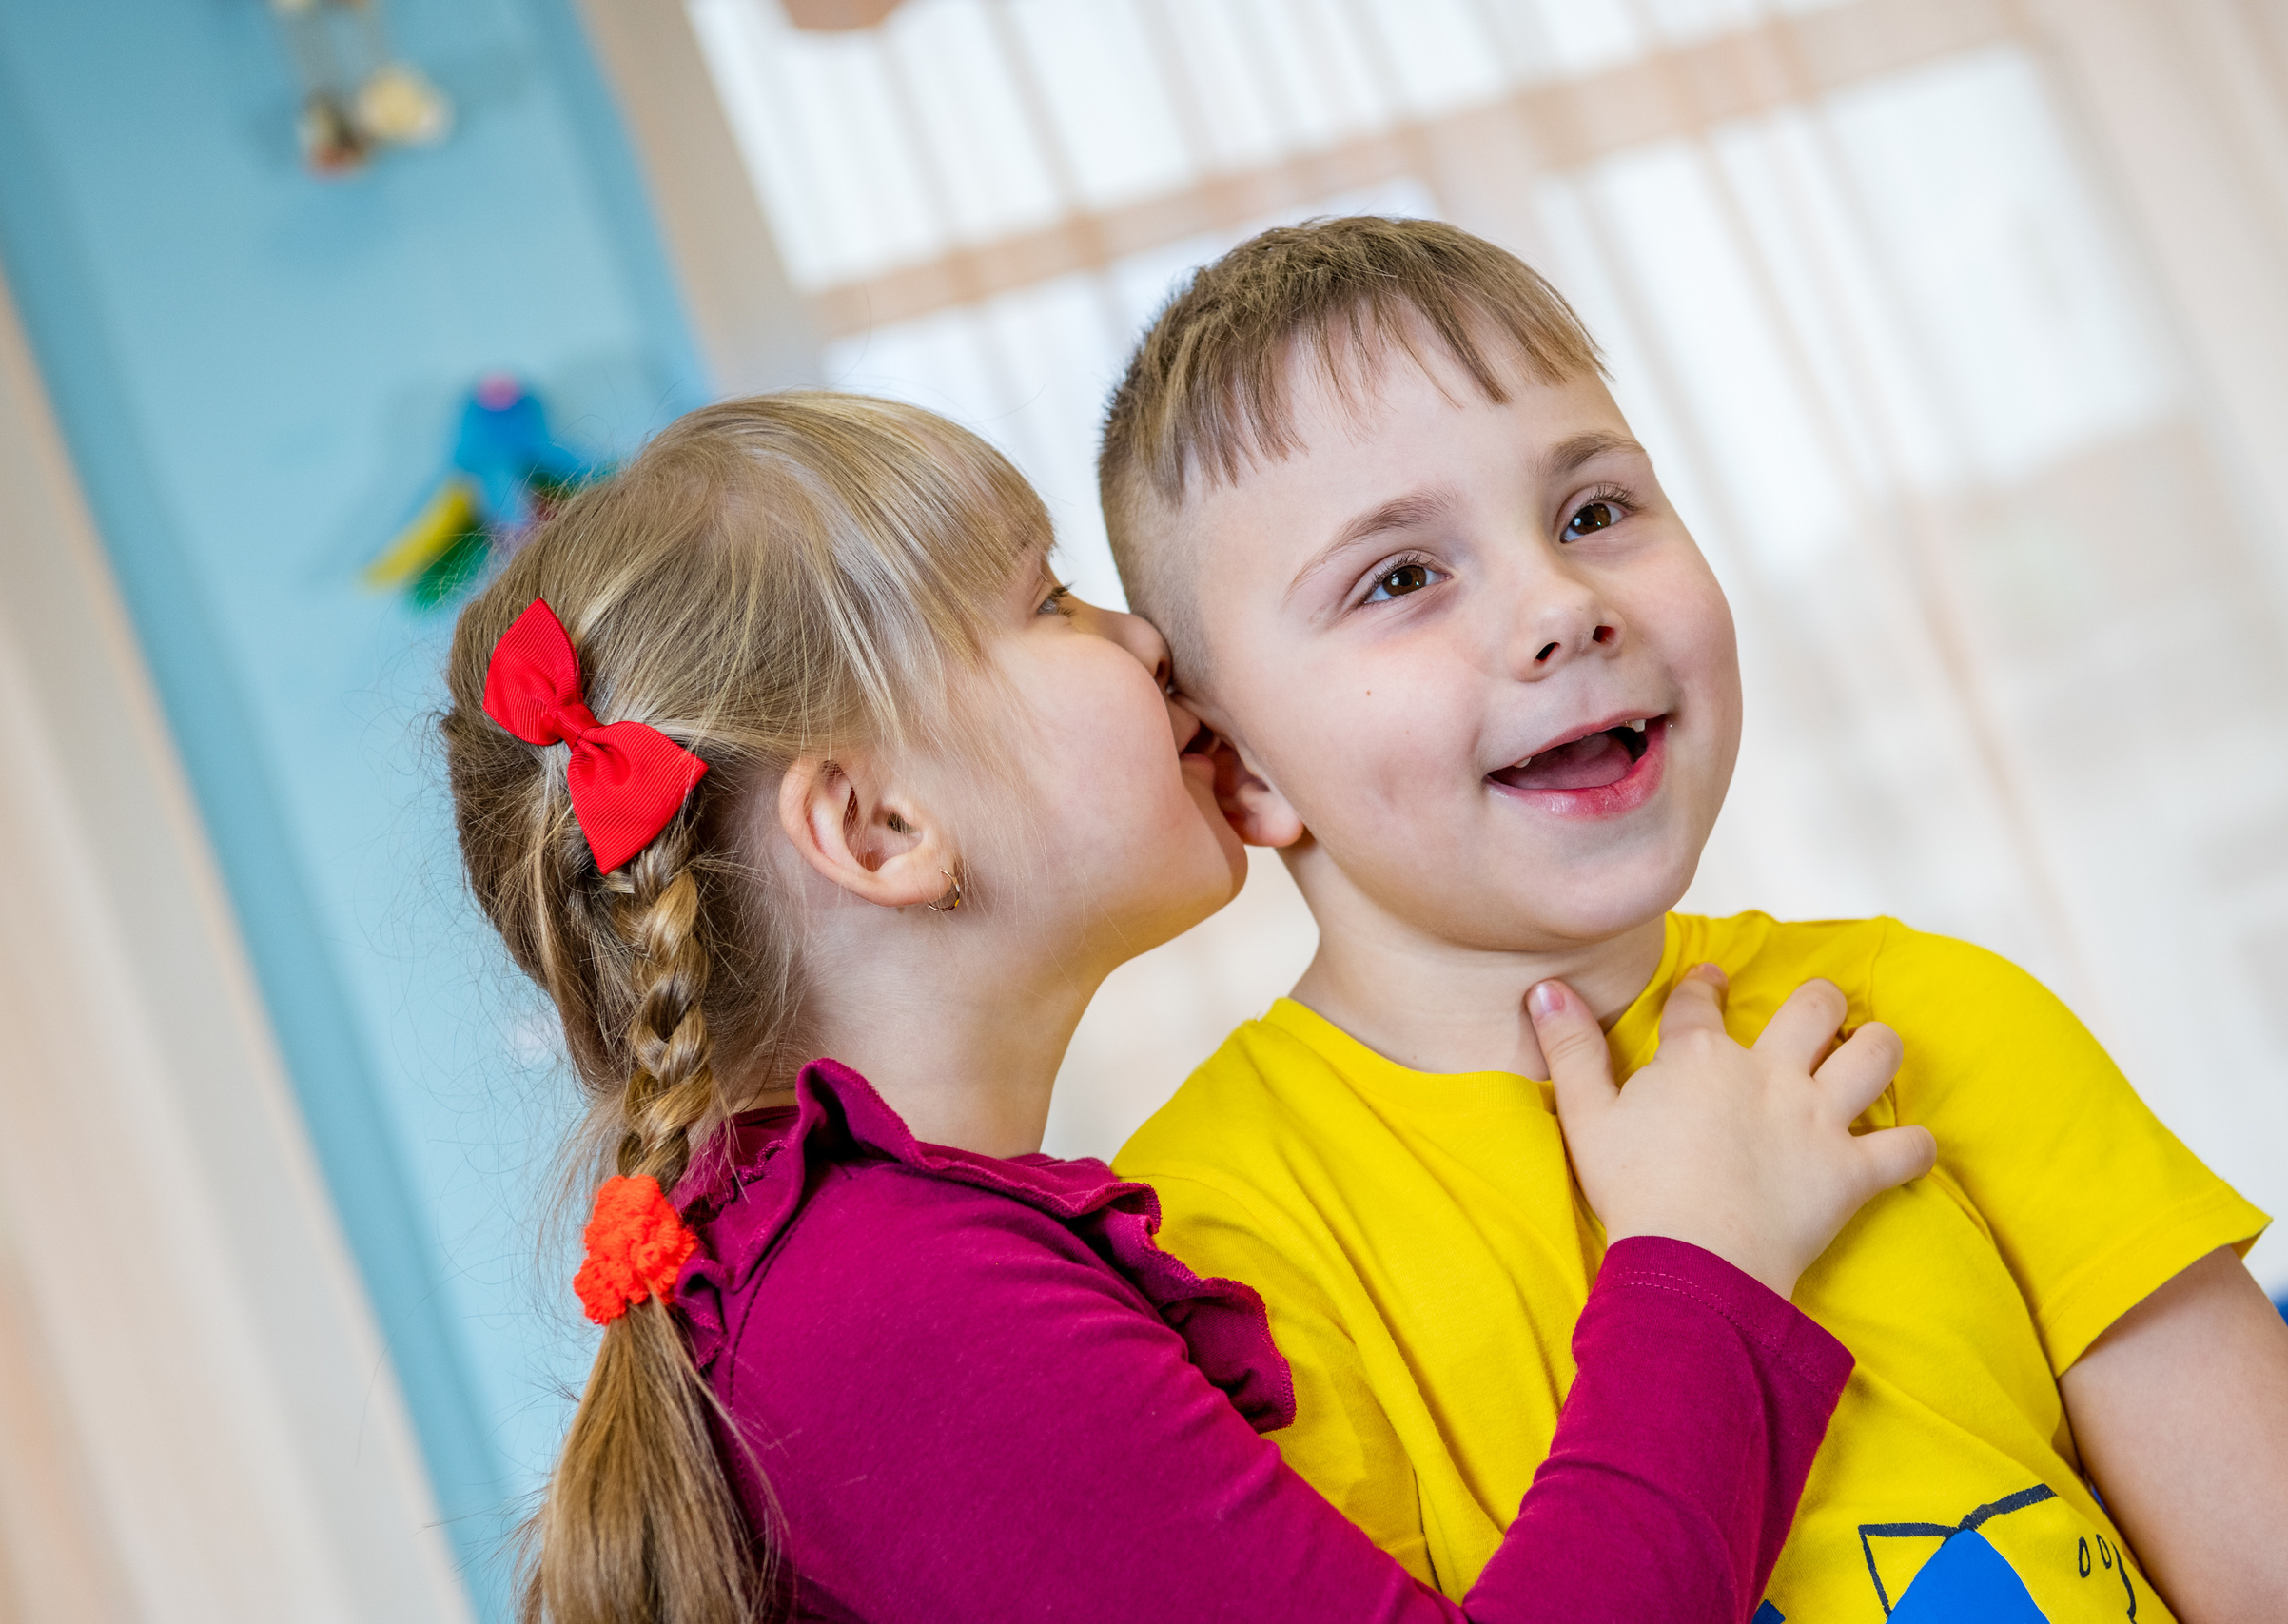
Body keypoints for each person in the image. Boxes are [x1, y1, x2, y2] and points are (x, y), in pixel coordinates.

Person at [440, 393, 1936, 1624]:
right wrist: (1699, 1259)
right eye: (1046, 603)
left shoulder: (872, 1272)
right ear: (882, 830)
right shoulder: (891, 1310)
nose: (1144, 641)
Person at [1100, 216, 2288, 1624]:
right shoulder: (1212, 1237)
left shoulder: (1934, 1014)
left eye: (1593, 511)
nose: (1563, 604)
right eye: (1401, 576)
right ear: (1243, 771)